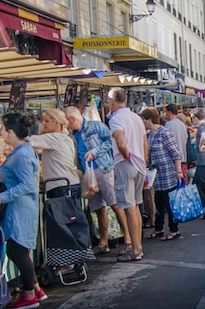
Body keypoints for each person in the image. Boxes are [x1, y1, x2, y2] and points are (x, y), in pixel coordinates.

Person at [0, 113, 46, 309]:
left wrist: (2, 197)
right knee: (18, 250)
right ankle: (36, 289)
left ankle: (29, 295)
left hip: (20, 209)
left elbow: (27, 185)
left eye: (3, 129)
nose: (1, 132)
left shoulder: (22, 154)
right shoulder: (20, 151)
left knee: (18, 250)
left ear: (11, 132)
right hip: (18, 208)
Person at [65, 106, 130, 255]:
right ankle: (103, 242)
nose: (65, 125)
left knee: (114, 204)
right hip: (89, 175)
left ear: (73, 119)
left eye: (66, 121)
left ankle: (128, 239)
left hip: (103, 169)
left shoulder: (95, 127)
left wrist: (95, 152)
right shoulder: (73, 136)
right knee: (98, 208)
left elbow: (111, 142)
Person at [106, 87, 148, 262]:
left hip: (126, 164)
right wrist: (143, 163)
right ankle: (138, 247)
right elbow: (145, 144)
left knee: (129, 207)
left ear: (112, 101)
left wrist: (127, 156)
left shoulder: (116, 120)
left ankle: (135, 249)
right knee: (136, 206)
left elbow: (121, 143)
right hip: (139, 165)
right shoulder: (136, 118)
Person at [140, 107, 182, 241]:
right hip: (155, 175)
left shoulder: (164, 133)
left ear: (148, 119)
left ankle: (174, 229)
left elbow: (175, 153)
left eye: (143, 120)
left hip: (168, 173)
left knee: (169, 202)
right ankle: (159, 228)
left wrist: (179, 171)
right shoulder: (149, 135)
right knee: (158, 201)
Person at [28, 109, 81, 198]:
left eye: (47, 121)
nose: (43, 124)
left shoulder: (53, 138)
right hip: (72, 183)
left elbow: (26, 141)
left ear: (56, 123)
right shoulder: (66, 138)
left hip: (60, 186)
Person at [190, 108, 205, 217]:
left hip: (204, 159)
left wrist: (200, 145)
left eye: (192, 118)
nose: (192, 121)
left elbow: (204, 137)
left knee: (201, 182)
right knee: (199, 181)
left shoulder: (202, 127)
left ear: (196, 117)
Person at [164, 103, 188, 179]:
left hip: (173, 159)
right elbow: (186, 139)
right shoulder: (182, 124)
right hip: (183, 157)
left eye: (166, 112)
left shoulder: (168, 125)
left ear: (169, 112)